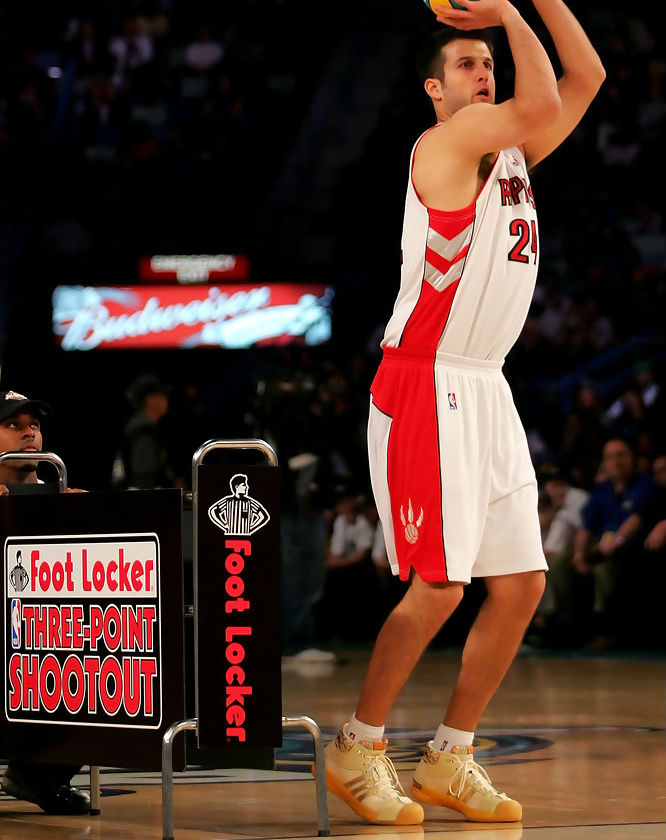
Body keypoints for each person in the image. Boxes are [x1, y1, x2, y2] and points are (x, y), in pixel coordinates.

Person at [323, 0, 605, 826]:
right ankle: (358, 742)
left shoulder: (515, 153)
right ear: (434, 93)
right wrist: (512, 11)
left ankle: (450, 755)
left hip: (487, 383)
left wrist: (541, 1)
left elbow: (584, 79)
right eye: (466, 66)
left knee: (519, 586)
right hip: (424, 380)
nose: (483, 73)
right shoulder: (441, 146)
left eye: (489, 62)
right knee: (439, 589)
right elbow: (547, 99)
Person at [0, 389, 90, 814]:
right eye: (13, 426)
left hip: (45, 638)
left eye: (33, 425)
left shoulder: (66, 496)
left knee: (99, 656)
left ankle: (38, 775)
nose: (28, 434)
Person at [572, 438, 655, 649]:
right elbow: (585, 527)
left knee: (604, 570)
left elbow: (638, 517)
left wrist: (616, 540)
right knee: (561, 562)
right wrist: (579, 553)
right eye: (610, 457)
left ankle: (605, 630)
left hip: (628, 548)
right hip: (599, 548)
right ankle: (557, 624)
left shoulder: (645, 484)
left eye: (621, 455)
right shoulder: (601, 491)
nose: (616, 461)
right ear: (604, 463)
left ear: (631, 458)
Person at [112, 374, 176, 490]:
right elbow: (143, 477)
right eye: (162, 395)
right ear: (150, 399)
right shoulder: (143, 430)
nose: (166, 399)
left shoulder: (141, 425)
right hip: (142, 500)